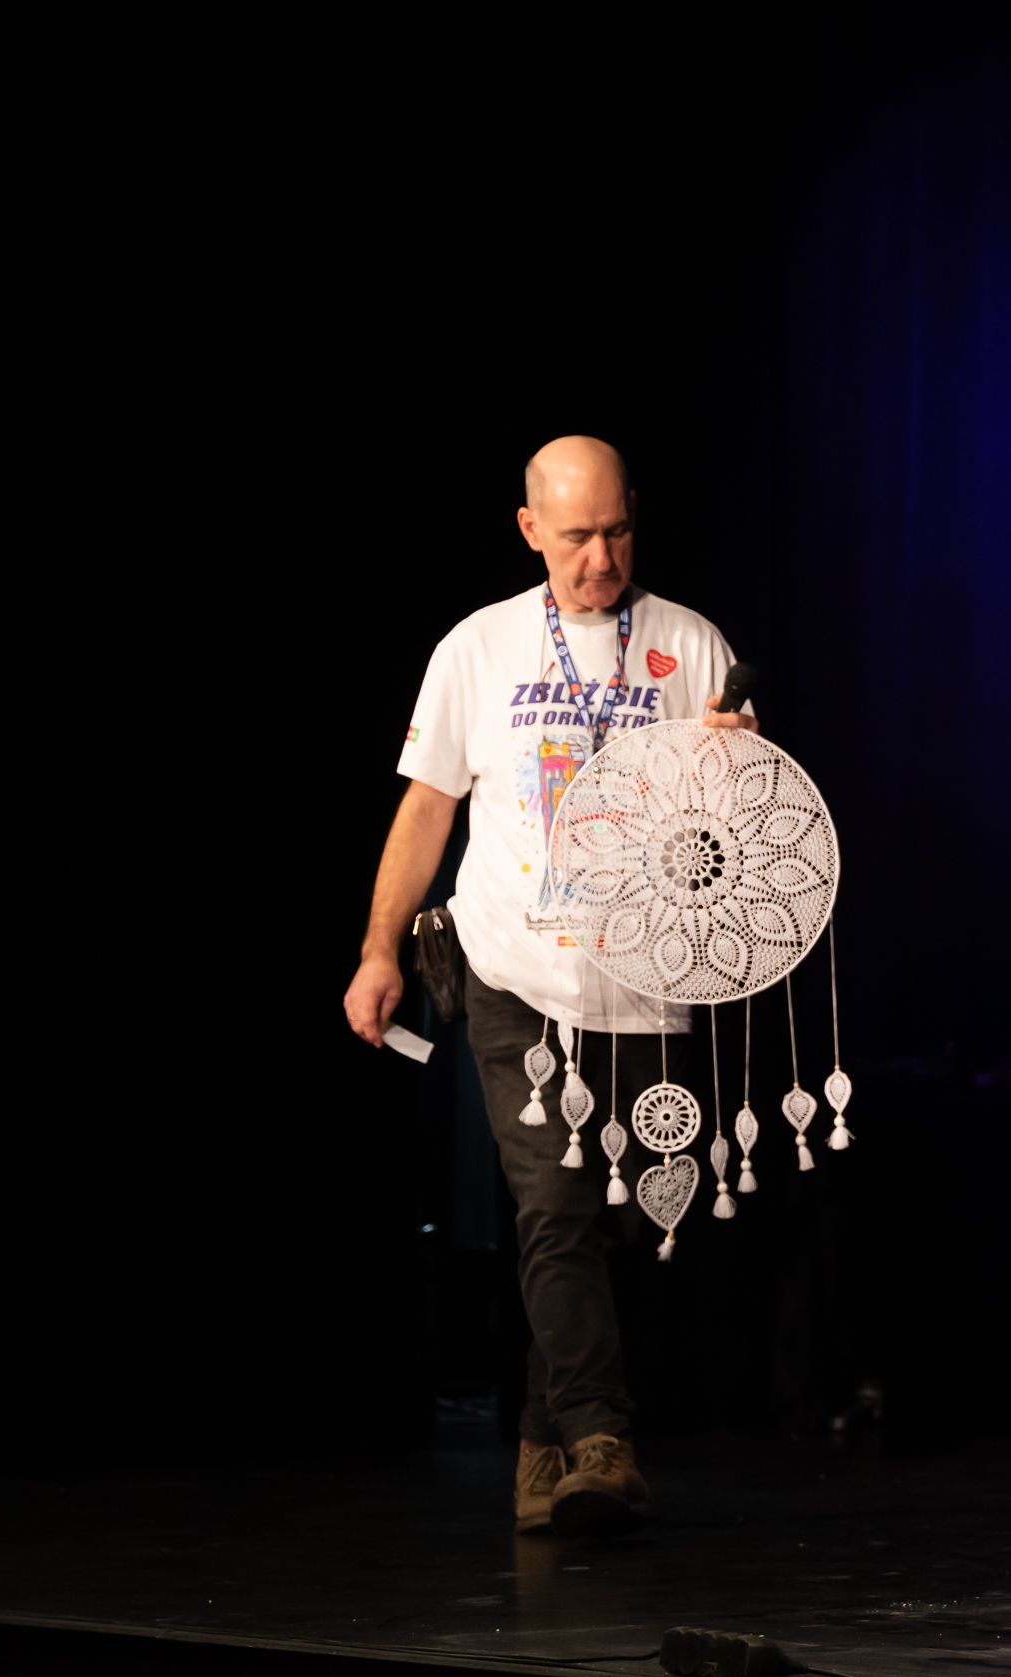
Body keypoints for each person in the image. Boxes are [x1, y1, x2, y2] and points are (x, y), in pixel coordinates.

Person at [342, 435, 756, 1538]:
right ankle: (602, 1437)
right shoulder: (477, 648)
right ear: (530, 529)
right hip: (512, 965)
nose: (600, 558)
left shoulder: (689, 644)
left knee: (613, 1214)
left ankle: (539, 1437)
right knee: (552, 1203)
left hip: (645, 974)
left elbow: (731, 830)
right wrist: (380, 950)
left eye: (617, 531)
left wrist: (736, 763)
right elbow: (426, 807)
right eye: (576, 537)